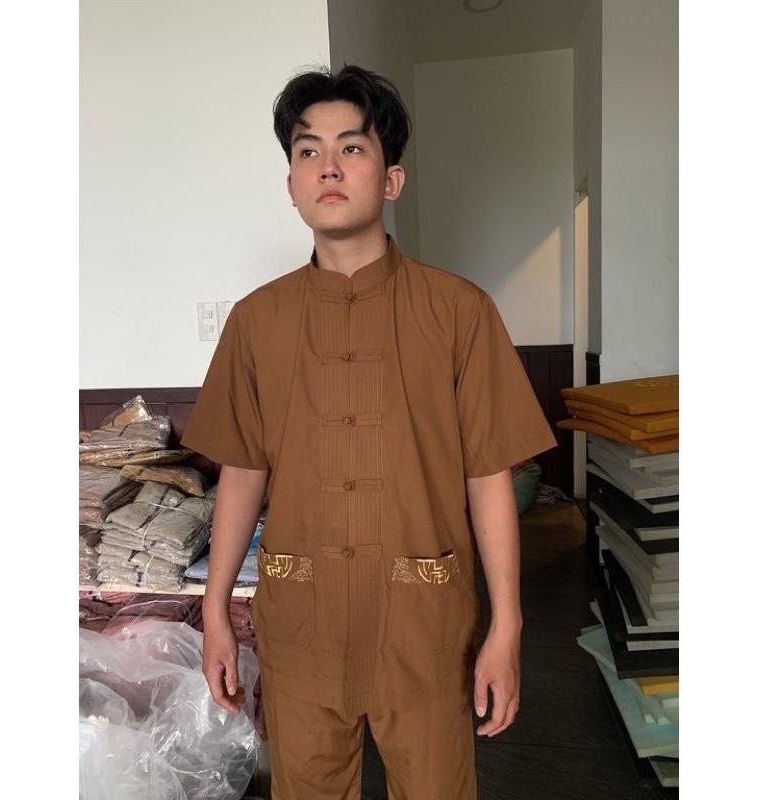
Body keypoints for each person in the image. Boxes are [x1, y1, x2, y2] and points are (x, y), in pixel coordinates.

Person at [181, 63, 557, 800]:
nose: (328, 166)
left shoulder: (459, 312)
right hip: (302, 621)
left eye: (352, 147)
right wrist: (215, 606)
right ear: (291, 183)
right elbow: (243, 472)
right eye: (308, 151)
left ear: (391, 180)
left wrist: (506, 626)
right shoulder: (256, 322)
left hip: (425, 622)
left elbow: (488, 475)